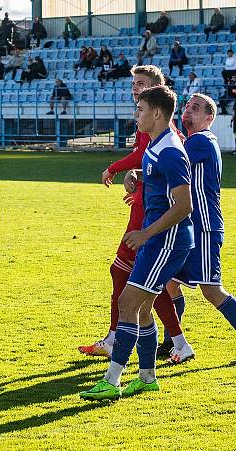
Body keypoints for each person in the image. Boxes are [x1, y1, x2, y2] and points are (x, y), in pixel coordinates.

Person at [79, 85, 193, 401]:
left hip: (165, 242)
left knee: (128, 303)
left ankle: (112, 380)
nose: (136, 114)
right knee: (141, 308)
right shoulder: (158, 145)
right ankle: (145, 378)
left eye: (140, 109)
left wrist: (146, 233)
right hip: (159, 240)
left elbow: (185, 205)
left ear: (157, 113)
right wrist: (139, 175)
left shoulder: (170, 150)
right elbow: (160, 180)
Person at [157, 93, 236, 364]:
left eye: (197, 108)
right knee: (169, 284)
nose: (189, 111)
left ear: (209, 119)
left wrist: (138, 171)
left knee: (212, 291)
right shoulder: (193, 141)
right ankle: (173, 342)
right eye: (188, 106)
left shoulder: (202, 141)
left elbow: (169, 164)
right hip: (190, 228)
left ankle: (173, 342)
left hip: (205, 228)